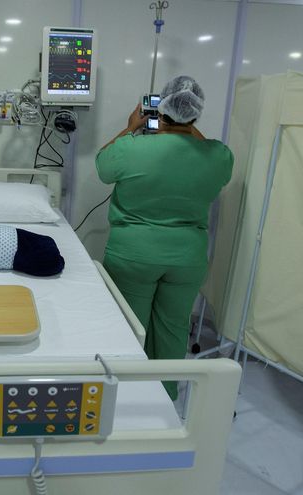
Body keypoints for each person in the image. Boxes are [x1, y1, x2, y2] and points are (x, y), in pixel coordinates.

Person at [95, 76, 233, 400]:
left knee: (131, 326)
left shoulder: (131, 148)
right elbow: (204, 147)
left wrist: (131, 126)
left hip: (134, 255)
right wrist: (184, 128)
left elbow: (103, 166)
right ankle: (164, 397)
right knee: (172, 328)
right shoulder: (218, 156)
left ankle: (125, 396)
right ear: (196, 113)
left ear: (163, 106)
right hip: (186, 260)